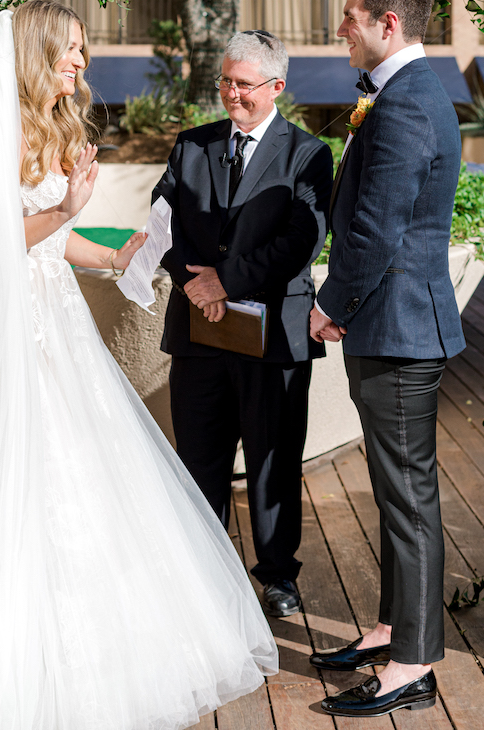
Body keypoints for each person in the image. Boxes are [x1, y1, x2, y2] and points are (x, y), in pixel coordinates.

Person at [0, 0, 278, 729]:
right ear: (37, 54)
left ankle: (86, 647)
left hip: (51, 308)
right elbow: (0, 239)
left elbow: (58, 242)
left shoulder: (57, 126)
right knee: (27, 470)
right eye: (72, 52)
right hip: (1, 318)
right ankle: (19, 657)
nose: (82, 64)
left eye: (82, 52)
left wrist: (121, 253)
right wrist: (68, 210)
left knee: (81, 463)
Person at [308, 0, 465, 718]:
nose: (342, 28)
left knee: (408, 500)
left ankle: (412, 666)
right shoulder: (407, 92)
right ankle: (390, 630)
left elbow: (376, 228)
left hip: (399, 328)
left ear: (387, 23)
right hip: (395, 324)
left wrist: (329, 302)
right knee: (398, 493)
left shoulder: (404, 104)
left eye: (350, 15)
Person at [153, 30, 333, 619]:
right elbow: (161, 224)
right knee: (199, 458)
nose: (231, 93)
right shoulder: (190, 146)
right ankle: (206, 570)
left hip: (272, 341)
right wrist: (194, 283)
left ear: (276, 87)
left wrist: (225, 282)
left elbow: (301, 241)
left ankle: (278, 575)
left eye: (244, 84)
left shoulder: (308, 154)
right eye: (225, 81)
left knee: (272, 461)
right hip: (199, 334)